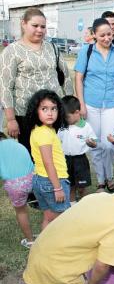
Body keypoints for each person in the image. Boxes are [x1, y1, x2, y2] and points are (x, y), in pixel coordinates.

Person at [0, 7, 73, 154]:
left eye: (43, 27)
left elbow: (66, 77)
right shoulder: (12, 51)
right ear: (23, 24)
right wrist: (11, 119)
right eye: (35, 26)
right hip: (25, 113)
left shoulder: (52, 48)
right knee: (32, 153)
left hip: (52, 112)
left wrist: (69, 105)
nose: (40, 30)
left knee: (55, 151)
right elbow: (5, 86)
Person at [74, 18, 114, 192]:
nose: (107, 38)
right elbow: (79, 78)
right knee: (95, 143)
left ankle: (110, 176)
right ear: (94, 35)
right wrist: (81, 104)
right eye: (102, 35)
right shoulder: (86, 51)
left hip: (112, 104)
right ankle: (101, 180)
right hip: (91, 103)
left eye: (109, 34)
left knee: (108, 144)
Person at [25, 90, 70, 229]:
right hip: (52, 182)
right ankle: (56, 249)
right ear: (36, 111)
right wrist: (57, 188)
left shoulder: (39, 130)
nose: (50, 113)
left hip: (41, 179)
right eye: (44, 109)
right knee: (61, 222)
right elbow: (48, 162)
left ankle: (43, 248)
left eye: (53, 108)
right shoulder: (44, 133)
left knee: (49, 217)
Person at [58, 95, 97, 204]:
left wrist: (91, 143)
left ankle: (86, 204)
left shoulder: (86, 126)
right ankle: (72, 204)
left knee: (82, 186)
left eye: (67, 117)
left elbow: (94, 143)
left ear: (77, 112)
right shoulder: (62, 126)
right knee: (70, 185)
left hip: (80, 161)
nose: (64, 119)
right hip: (65, 160)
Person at [0, 132, 35, 248]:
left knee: (21, 211)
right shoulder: (16, 144)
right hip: (33, 177)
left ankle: (30, 241)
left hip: (15, 184)